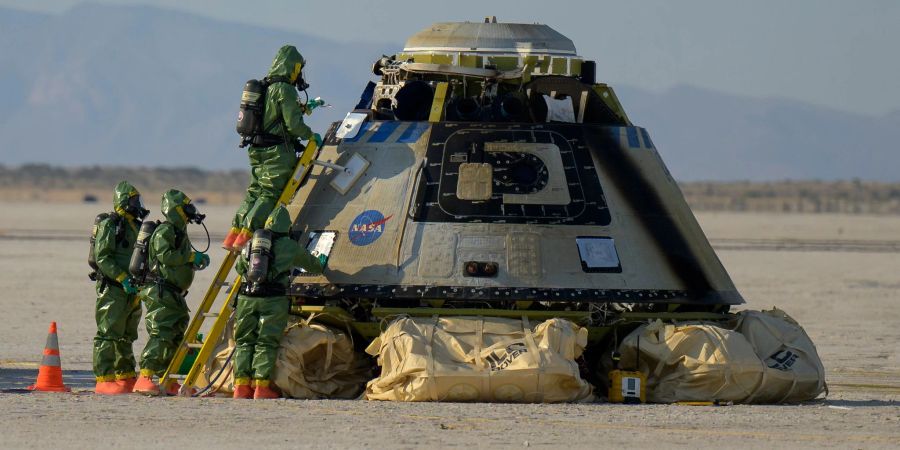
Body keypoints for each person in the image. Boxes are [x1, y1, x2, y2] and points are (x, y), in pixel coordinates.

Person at [223, 44, 322, 251]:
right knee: (270, 194)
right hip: (277, 154)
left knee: (254, 191)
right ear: (292, 67)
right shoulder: (285, 89)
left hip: (257, 150)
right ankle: (246, 236)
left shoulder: (266, 87)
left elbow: (274, 118)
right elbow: (292, 125)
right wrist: (311, 136)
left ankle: (233, 234)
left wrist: (305, 108)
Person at [232, 206, 325, 399]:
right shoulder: (288, 245)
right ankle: (261, 387)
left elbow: (239, 267)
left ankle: (241, 387)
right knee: (266, 341)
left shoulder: (252, 243)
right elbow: (313, 265)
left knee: (244, 341)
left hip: (246, 298)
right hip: (272, 300)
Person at [133, 189, 210, 395]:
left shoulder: (178, 233)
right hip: (160, 290)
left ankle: (169, 379)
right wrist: (190, 257)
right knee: (162, 331)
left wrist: (192, 263)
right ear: (175, 209)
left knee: (176, 334)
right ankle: (145, 376)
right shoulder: (165, 231)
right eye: (185, 208)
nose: (189, 211)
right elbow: (165, 256)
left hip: (174, 292)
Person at [92, 181, 149, 395]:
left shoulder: (135, 226)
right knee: (108, 332)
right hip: (114, 288)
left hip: (132, 290)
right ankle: (104, 378)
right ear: (124, 202)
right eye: (133, 200)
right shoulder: (111, 224)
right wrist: (122, 277)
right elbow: (103, 257)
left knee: (127, 334)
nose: (137, 204)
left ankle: (124, 375)